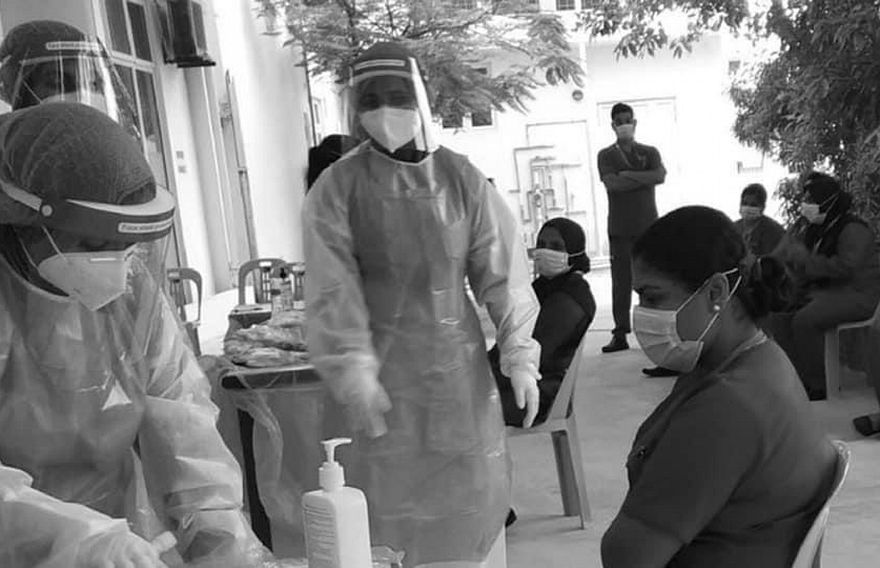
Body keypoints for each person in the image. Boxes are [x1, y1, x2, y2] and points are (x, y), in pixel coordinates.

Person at [0, 103, 272, 567]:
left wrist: (218, 533)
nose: (115, 262)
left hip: (121, 544)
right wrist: (75, 537)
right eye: (93, 243)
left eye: (126, 246)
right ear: (22, 222)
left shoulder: (133, 298)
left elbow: (184, 421)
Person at [303, 42, 541, 567]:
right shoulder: (337, 188)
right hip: (376, 387)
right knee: (377, 527)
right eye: (371, 99)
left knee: (467, 519)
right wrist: (352, 371)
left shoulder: (462, 180)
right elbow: (331, 288)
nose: (385, 110)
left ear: (421, 99)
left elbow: (503, 273)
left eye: (398, 96)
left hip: (457, 381)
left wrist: (520, 354)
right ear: (354, 108)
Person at [602, 206, 837, 568]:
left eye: (652, 297)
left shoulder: (728, 406)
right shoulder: (760, 358)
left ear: (715, 291)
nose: (642, 316)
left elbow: (630, 556)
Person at [769, 172, 880, 401]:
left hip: (859, 294)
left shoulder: (852, 228)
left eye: (811, 199)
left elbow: (846, 268)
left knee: (805, 321)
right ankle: (797, 379)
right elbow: (791, 259)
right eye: (805, 199)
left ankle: (819, 385)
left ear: (827, 201)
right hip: (828, 292)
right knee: (779, 315)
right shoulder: (815, 228)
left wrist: (805, 260)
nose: (805, 204)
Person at [491, 217, 596, 427]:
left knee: (452, 407)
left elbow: (532, 349)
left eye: (556, 246)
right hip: (517, 381)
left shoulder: (570, 298)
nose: (545, 251)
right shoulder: (542, 288)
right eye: (541, 244)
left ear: (574, 251)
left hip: (536, 393)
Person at [597, 102, 673, 378]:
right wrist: (643, 179)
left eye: (627, 120)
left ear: (635, 122)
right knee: (621, 283)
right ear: (613, 125)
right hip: (620, 228)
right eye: (619, 121)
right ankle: (620, 333)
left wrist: (628, 175)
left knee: (652, 281)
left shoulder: (649, 152)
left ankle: (656, 333)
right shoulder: (606, 155)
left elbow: (660, 176)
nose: (624, 125)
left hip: (648, 227)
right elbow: (612, 184)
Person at [0, 19, 138, 132]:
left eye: (91, 83)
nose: (81, 95)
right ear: (20, 93)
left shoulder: (109, 151)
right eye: (58, 81)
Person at [733, 183, 785, 256]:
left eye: (753, 205)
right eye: (745, 203)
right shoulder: (733, 229)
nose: (748, 207)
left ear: (762, 207)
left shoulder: (774, 231)